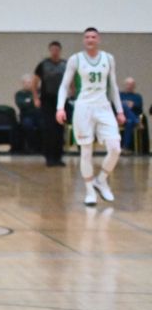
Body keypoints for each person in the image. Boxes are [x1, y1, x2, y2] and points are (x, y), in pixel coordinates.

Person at [56, 28, 125, 206]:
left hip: (103, 107)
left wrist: (119, 111)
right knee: (86, 151)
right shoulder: (76, 59)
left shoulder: (108, 58)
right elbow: (64, 86)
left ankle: (101, 180)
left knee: (115, 148)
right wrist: (60, 108)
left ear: (98, 39)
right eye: (87, 37)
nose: (90, 39)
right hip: (83, 107)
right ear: (83, 40)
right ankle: (89, 192)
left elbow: (113, 86)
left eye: (93, 37)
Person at [33, 41, 67, 167]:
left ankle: (58, 157)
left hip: (61, 101)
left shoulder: (65, 64)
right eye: (52, 50)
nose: (54, 52)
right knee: (49, 129)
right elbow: (34, 82)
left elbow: (71, 81)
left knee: (60, 129)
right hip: (47, 100)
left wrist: (73, 93)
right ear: (49, 50)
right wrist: (36, 98)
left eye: (57, 50)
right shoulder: (43, 65)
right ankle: (49, 157)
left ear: (60, 50)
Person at [14, 75, 41, 154]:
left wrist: (29, 102)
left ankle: (42, 147)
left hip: (40, 115)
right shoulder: (20, 94)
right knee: (27, 125)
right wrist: (33, 102)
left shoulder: (41, 92)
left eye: (30, 82)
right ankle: (30, 147)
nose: (28, 84)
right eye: (26, 82)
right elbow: (21, 104)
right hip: (27, 116)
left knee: (45, 124)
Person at [118, 78, 143, 151]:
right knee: (124, 105)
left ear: (134, 86)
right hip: (121, 117)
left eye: (131, 84)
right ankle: (137, 121)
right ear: (124, 85)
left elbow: (140, 108)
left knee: (129, 121)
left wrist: (133, 105)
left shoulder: (137, 96)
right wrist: (126, 104)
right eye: (128, 84)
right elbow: (116, 105)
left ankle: (125, 147)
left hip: (131, 117)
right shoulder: (120, 95)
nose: (129, 86)